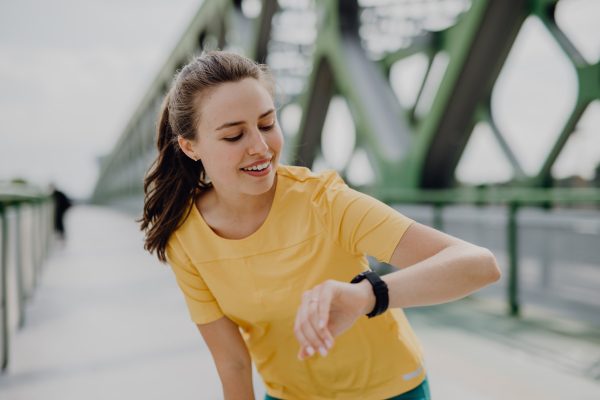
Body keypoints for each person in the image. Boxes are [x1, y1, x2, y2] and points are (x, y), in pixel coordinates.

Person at [139, 50, 501, 400]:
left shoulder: (325, 202)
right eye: (235, 135)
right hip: (288, 396)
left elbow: (479, 265)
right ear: (190, 147)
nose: (261, 147)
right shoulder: (185, 237)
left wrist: (365, 295)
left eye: (267, 123)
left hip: (391, 391)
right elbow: (232, 364)